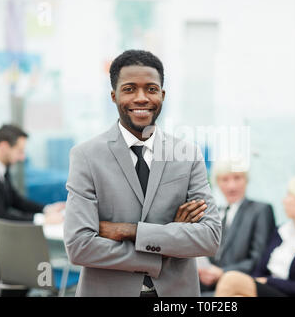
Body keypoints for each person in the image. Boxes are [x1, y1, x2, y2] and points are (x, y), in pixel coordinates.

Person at [63, 49, 222, 297]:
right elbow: (80, 247)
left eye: (150, 89)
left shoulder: (188, 154)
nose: (141, 98)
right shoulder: (86, 156)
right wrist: (163, 250)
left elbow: (209, 237)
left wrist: (129, 231)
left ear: (162, 95)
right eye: (129, 89)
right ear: (114, 96)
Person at [0, 124, 65, 295]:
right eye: (19, 151)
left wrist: (46, 209)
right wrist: (42, 220)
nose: (22, 157)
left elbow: (15, 200)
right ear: (4, 146)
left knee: (29, 271)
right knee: (24, 274)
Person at [214, 175, 295, 297]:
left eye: (289, 195)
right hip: (269, 289)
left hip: (291, 293)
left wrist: (268, 281)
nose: (284, 201)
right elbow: (260, 269)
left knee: (231, 279)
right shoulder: (282, 230)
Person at [198, 160, 275, 295]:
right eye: (225, 180)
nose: (231, 186)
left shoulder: (260, 210)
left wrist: (223, 272)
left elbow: (259, 259)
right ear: (217, 183)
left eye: (237, 178)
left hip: (241, 282)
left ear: (246, 180)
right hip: (209, 282)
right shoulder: (215, 212)